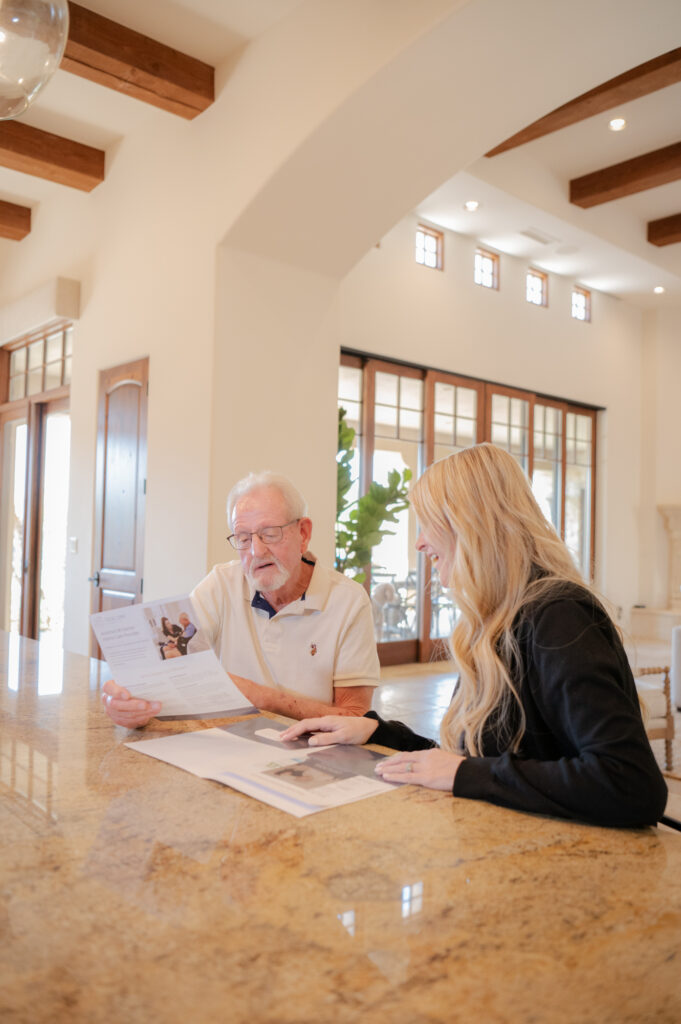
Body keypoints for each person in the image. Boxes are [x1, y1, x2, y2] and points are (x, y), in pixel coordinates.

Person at [281, 443, 668, 828]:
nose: (418, 542)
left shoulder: (559, 616)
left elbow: (630, 784)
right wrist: (377, 731)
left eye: (428, 522)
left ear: (472, 523)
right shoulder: (496, 621)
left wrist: (463, 775)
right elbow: (479, 763)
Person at [102, 471, 380, 728]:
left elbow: (356, 718)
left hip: (315, 755)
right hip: (234, 746)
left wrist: (263, 698)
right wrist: (126, 702)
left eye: (270, 534)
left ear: (303, 533)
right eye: (243, 538)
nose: (256, 551)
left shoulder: (349, 602)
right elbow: (157, 661)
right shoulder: (222, 584)